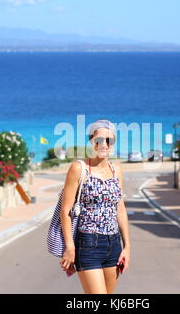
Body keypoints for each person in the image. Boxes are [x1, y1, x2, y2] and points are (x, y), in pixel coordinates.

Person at [59, 119, 131, 294]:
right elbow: (65, 210)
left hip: (114, 245)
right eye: (99, 140)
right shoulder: (79, 168)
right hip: (88, 244)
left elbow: (120, 209)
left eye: (109, 140)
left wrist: (127, 247)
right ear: (91, 141)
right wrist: (70, 246)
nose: (104, 145)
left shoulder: (117, 170)